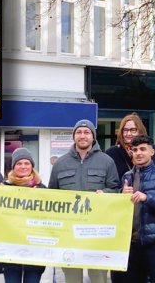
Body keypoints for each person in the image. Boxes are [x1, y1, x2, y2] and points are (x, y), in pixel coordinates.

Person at [48, 119, 120, 283]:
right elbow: (52, 195)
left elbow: (116, 190)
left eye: (87, 132)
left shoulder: (106, 161)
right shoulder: (60, 164)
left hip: (97, 232)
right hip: (68, 233)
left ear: (93, 137)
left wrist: (106, 193)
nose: (83, 135)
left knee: (98, 278)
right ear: (74, 136)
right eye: (79, 132)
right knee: (72, 279)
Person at [112, 135, 155, 283]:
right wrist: (120, 195)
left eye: (142, 149)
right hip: (131, 244)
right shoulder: (127, 176)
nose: (138, 153)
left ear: (152, 152)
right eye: (135, 150)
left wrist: (147, 198)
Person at [0, 148, 46, 283]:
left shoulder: (42, 189)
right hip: (9, 251)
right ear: (13, 167)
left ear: (32, 166)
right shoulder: (3, 188)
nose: (23, 166)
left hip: (35, 251)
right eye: (19, 163)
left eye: (27, 163)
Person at [106, 113, 155, 179]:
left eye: (133, 130)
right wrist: (122, 189)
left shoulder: (154, 150)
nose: (128, 134)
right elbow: (110, 182)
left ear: (140, 131)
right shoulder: (112, 152)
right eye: (125, 130)